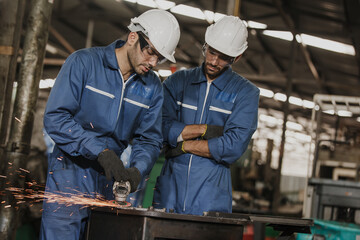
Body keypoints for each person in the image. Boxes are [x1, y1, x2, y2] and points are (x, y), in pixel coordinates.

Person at [40, 9, 180, 239]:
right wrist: (99, 151)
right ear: (133, 37)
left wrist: (137, 169)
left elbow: (150, 139)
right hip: (69, 173)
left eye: (160, 58)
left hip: (110, 179)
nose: (153, 62)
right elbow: (56, 118)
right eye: (150, 52)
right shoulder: (84, 63)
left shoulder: (152, 88)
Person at [153, 16, 259, 215]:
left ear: (237, 58)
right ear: (205, 45)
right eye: (211, 51)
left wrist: (184, 145)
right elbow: (159, 127)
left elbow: (233, 146)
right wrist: (205, 130)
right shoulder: (177, 82)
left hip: (211, 196)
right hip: (169, 189)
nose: (213, 60)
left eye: (223, 56)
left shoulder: (246, 93)